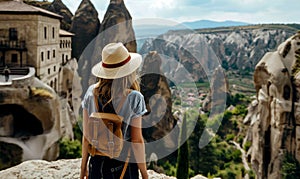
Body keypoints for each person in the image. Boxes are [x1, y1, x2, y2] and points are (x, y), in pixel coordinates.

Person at [80, 42, 148, 179]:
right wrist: (145, 174)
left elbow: (87, 137)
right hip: (124, 165)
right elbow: (137, 141)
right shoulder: (135, 97)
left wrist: (83, 170)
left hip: (96, 165)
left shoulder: (90, 92)